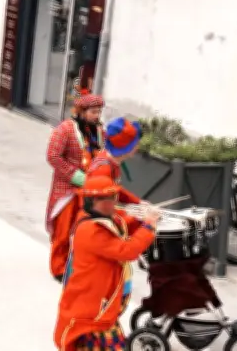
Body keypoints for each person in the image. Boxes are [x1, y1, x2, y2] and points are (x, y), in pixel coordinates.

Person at [53, 175, 158, 350]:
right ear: (94, 201)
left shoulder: (104, 216)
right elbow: (127, 251)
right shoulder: (91, 229)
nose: (114, 202)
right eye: (109, 198)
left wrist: (141, 218)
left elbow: (123, 224)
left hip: (99, 304)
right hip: (92, 309)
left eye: (114, 197)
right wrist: (149, 226)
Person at [46, 92, 105, 282]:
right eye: (93, 112)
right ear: (82, 112)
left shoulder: (98, 131)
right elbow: (53, 156)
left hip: (90, 191)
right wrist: (77, 176)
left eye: (99, 112)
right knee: (62, 232)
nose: (97, 116)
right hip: (67, 191)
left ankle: (80, 266)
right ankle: (58, 269)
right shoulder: (64, 129)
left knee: (85, 233)